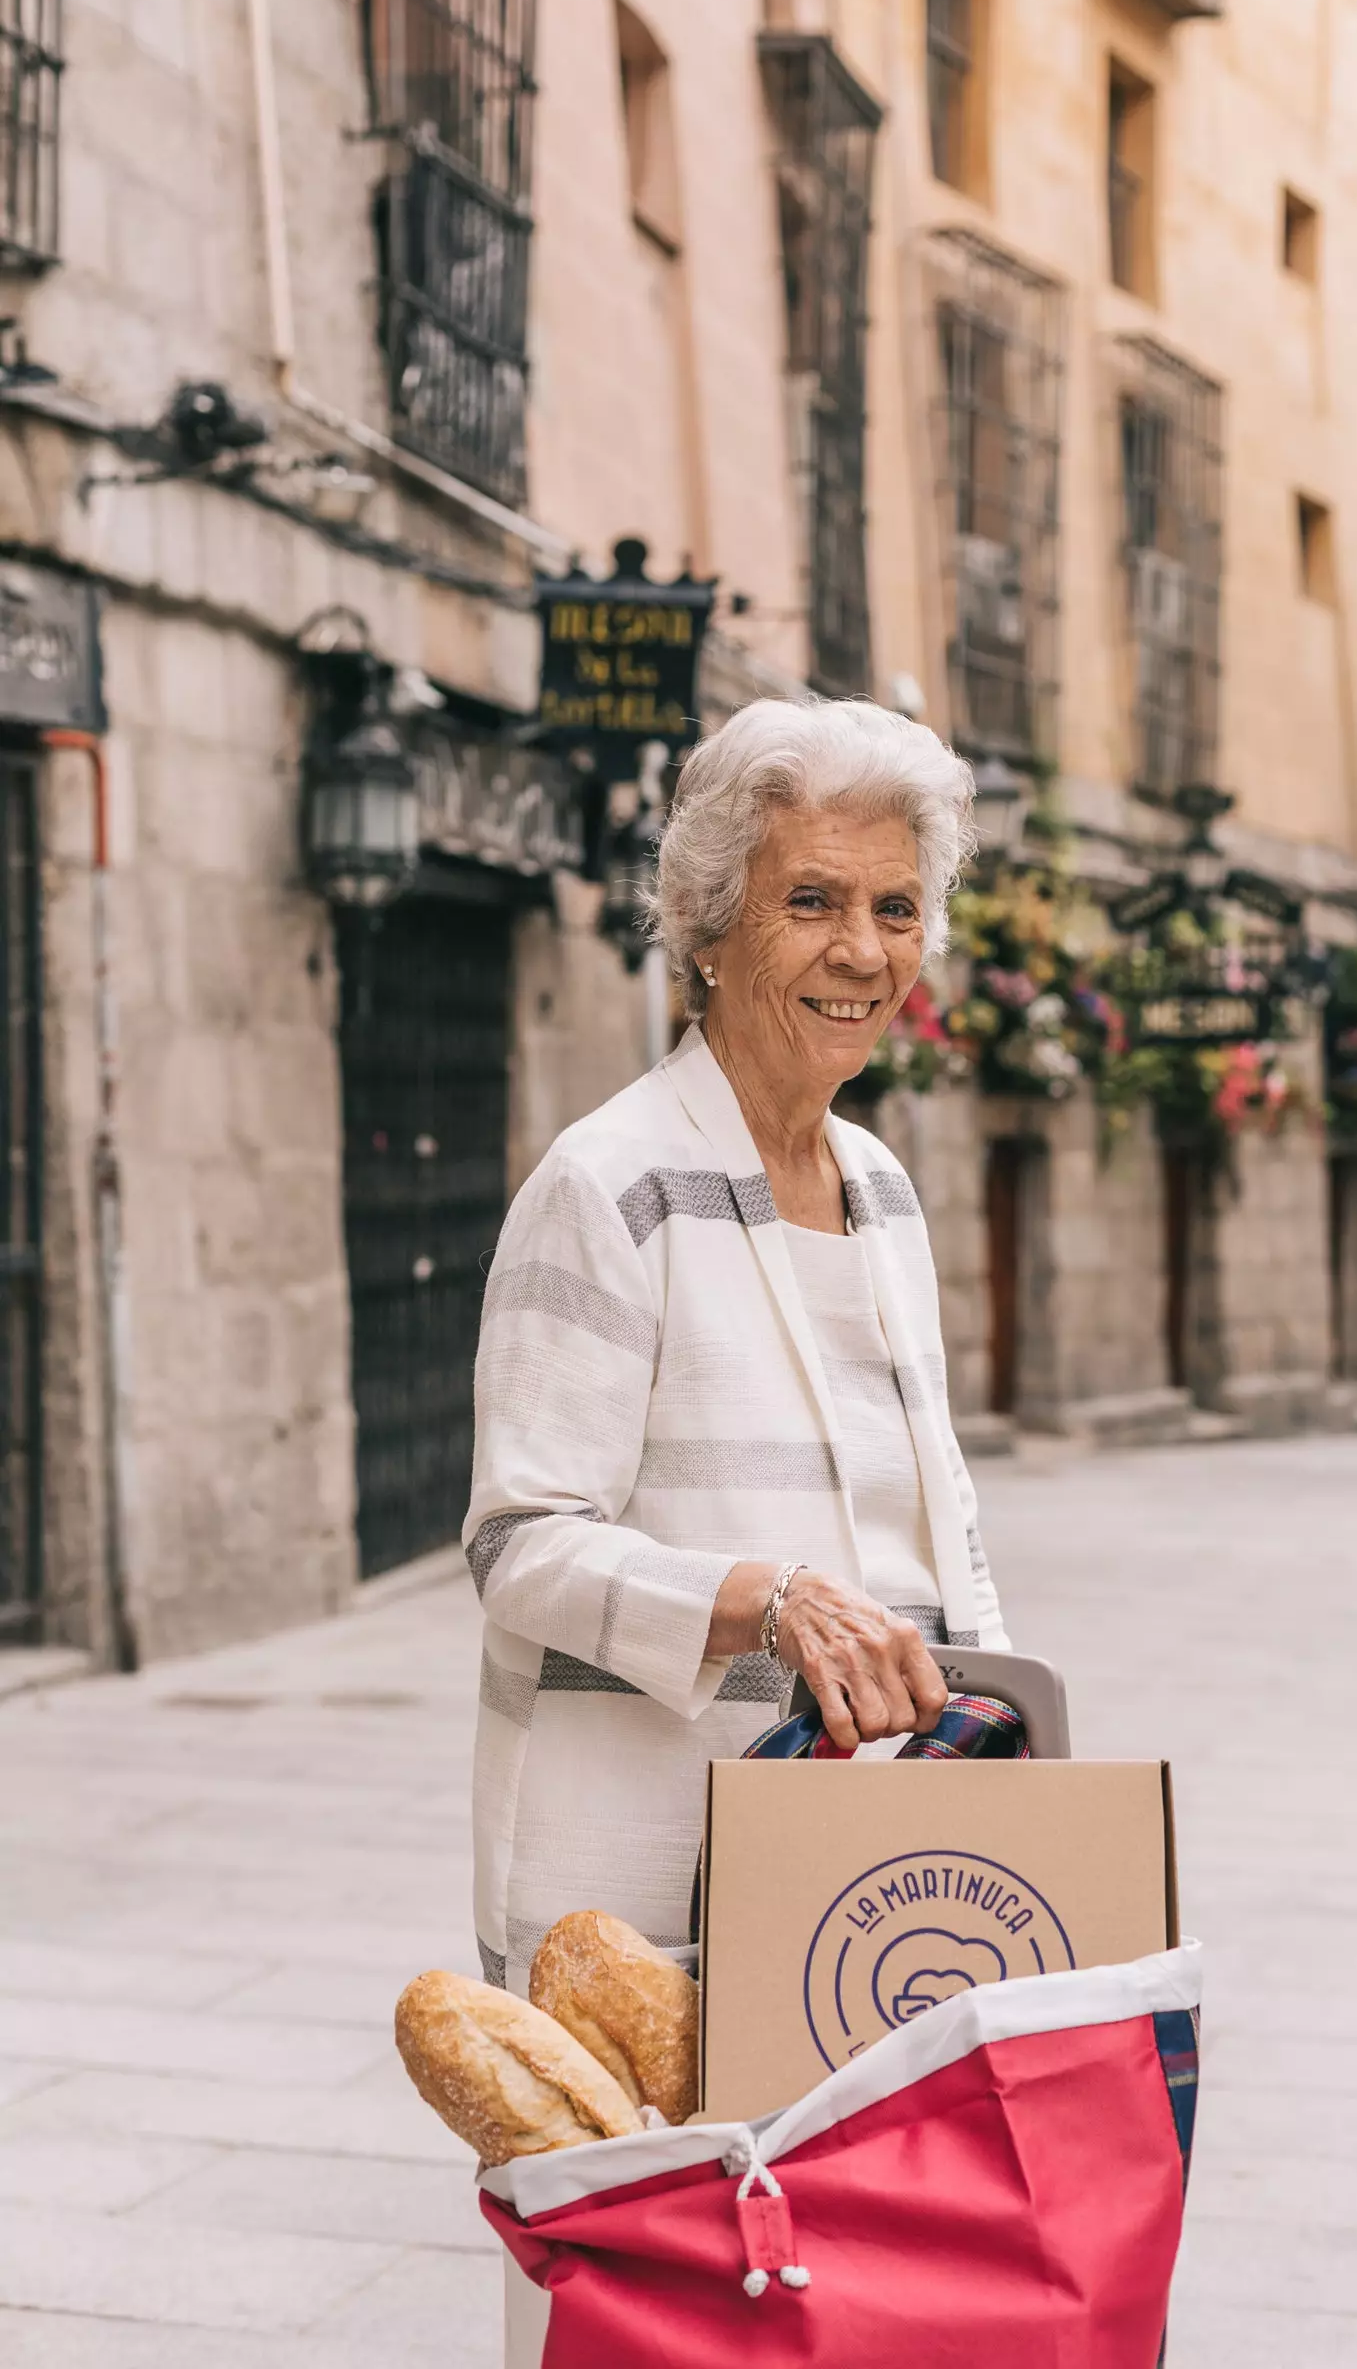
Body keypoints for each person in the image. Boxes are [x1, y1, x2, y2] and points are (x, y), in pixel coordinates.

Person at [465, 695, 1009, 2012]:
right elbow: (518, 1544)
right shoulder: (609, 1184)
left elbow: (932, 1527)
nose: (863, 950)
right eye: (813, 899)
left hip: (874, 1874)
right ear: (709, 931)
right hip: (650, 1887)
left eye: (895, 909)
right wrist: (762, 1598)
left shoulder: (879, 1185)